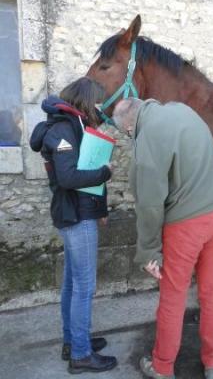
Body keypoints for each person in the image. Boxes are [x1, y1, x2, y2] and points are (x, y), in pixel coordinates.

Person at [113, 97, 213, 379]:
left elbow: (149, 203)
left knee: (173, 295)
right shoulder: (183, 110)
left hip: (187, 224)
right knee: (211, 289)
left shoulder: (147, 137)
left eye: (126, 134)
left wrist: (149, 251)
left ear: (129, 128)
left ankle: (162, 366)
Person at [30, 77, 117, 374]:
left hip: (75, 213)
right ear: (84, 100)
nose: (99, 107)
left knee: (71, 284)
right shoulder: (65, 128)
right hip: (75, 217)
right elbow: (69, 179)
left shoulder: (69, 124)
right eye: (97, 101)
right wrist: (104, 173)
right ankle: (80, 354)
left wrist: (100, 206)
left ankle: (74, 340)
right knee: (84, 287)